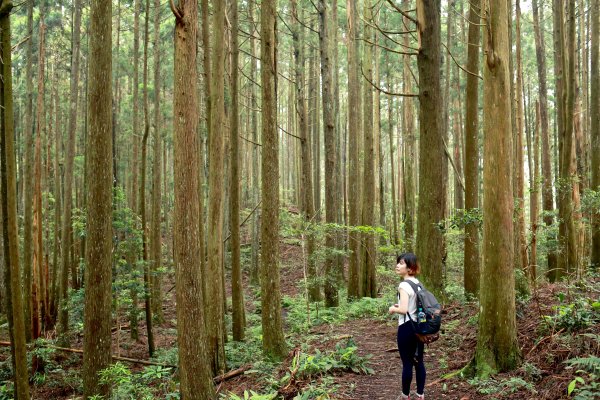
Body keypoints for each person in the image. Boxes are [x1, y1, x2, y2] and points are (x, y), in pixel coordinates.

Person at [388, 253, 426, 400]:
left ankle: (405, 395)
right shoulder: (418, 284)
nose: (398, 265)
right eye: (398, 262)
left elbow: (403, 310)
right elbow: (414, 306)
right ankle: (420, 394)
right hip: (419, 328)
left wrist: (393, 309)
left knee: (407, 363)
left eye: (402, 263)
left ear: (410, 268)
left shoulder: (403, 285)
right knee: (419, 362)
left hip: (406, 327)